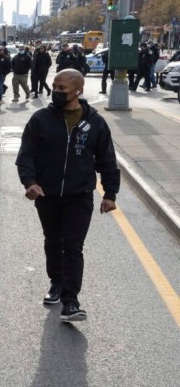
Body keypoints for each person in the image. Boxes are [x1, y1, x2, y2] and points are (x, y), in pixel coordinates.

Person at [15, 69, 120, 322]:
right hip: (47, 195)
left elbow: (107, 159)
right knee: (53, 241)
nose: (57, 92)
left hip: (80, 195)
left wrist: (110, 193)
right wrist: (30, 183)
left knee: (73, 246)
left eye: (62, 89)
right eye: (55, 87)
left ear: (78, 91)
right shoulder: (41, 119)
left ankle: (71, 301)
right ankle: (56, 282)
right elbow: (26, 155)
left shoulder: (95, 122)